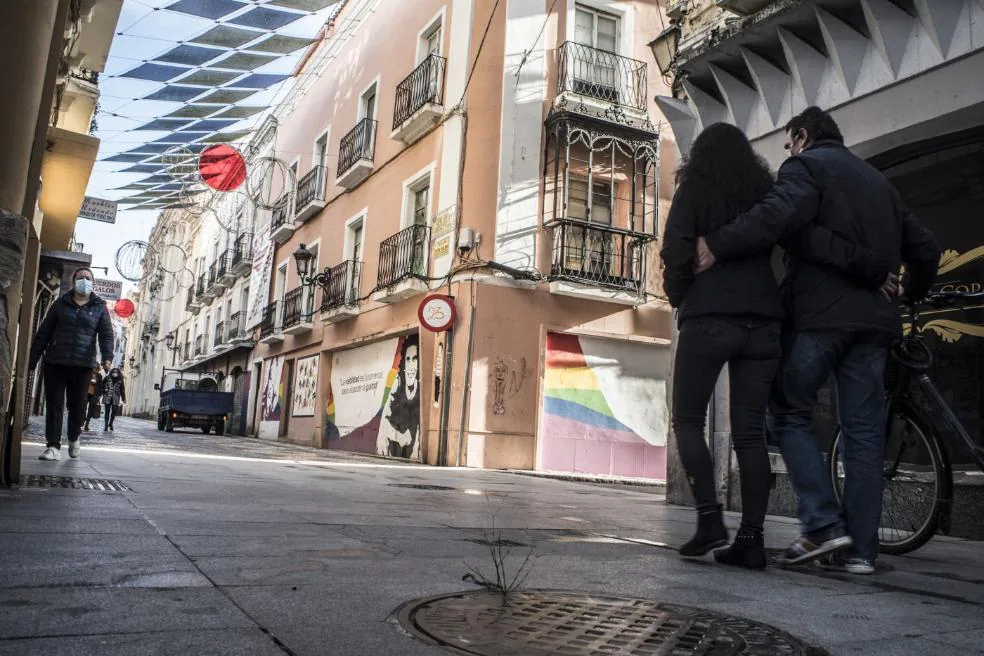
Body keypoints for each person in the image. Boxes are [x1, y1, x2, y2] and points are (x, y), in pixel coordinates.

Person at [696, 107, 941, 574]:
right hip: (874, 327)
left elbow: (775, 217)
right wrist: (912, 289)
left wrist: (719, 243)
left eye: (789, 143)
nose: (788, 152)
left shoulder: (806, 166)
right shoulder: (880, 183)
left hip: (821, 319)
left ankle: (824, 525)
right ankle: (862, 553)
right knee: (865, 435)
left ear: (803, 136)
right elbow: (925, 249)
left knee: (788, 410)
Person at [661, 123, 883, 570]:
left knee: (687, 419)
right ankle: (751, 540)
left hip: (708, 319)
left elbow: (675, 251)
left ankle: (709, 521)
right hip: (763, 324)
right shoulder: (767, 191)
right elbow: (805, 241)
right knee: (749, 434)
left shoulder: (695, 187)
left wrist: (682, 296)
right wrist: (873, 269)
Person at [29, 267, 115, 461]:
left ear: (93, 283)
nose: (85, 280)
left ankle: (74, 437)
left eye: (88, 278)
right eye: (81, 277)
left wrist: (107, 357)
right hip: (55, 363)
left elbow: (107, 335)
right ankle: (53, 447)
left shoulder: (99, 306)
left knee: (77, 407)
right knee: (55, 406)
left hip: (83, 365)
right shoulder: (60, 304)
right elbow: (44, 332)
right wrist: (32, 360)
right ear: (73, 281)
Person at [101, 367, 126, 431]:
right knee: (107, 412)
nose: (115, 373)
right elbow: (102, 385)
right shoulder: (107, 378)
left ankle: (111, 423)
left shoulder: (120, 379)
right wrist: (104, 389)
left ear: (118, 373)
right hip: (107, 397)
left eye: (116, 372)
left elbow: (122, 389)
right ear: (111, 372)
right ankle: (106, 426)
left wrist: (124, 398)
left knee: (114, 411)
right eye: (113, 372)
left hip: (116, 397)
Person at [82, 366, 103, 432]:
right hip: (86, 393)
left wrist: (99, 395)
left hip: (95, 394)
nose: (95, 369)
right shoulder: (88, 373)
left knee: (90, 410)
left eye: (96, 368)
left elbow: (100, 386)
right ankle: (83, 419)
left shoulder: (99, 376)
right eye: (94, 368)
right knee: (83, 407)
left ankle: (87, 424)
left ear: (98, 369)